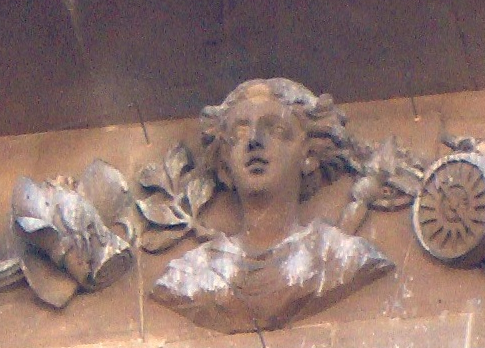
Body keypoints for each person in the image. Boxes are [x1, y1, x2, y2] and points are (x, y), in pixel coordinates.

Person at [149, 78, 395, 333]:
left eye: (275, 129)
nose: (254, 141)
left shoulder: (343, 258)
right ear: (224, 166)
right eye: (239, 133)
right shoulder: (190, 275)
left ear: (309, 156)